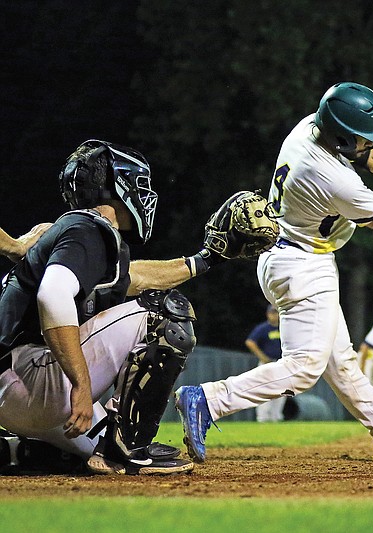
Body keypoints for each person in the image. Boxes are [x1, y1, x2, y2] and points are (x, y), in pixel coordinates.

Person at [176, 81, 373, 462]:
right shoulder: (333, 178)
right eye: (363, 137)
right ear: (343, 138)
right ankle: (208, 399)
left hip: (289, 255)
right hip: (303, 265)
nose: (368, 144)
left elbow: (372, 156)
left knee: (341, 362)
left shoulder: (309, 127)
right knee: (303, 370)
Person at [0, 140, 226, 475]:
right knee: (166, 315)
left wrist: (206, 258)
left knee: (81, 445)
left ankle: (28, 446)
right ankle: (129, 447)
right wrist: (81, 385)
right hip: (31, 380)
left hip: (13, 391)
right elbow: (53, 294)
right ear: (118, 185)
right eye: (140, 183)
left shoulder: (75, 232)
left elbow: (135, 277)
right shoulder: (89, 228)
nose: (146, 194)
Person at [244, 304, 285, 422]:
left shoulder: (283, 328)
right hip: (267, 364)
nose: (275, 315)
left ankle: (276, 417)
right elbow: (250, 342)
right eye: (272, 313)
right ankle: (262, 418)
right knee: (263, 390)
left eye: (276, 313)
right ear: (268, 314)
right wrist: (262, 356)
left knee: (281, 392)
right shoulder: (263, 328)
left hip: (281, 364)